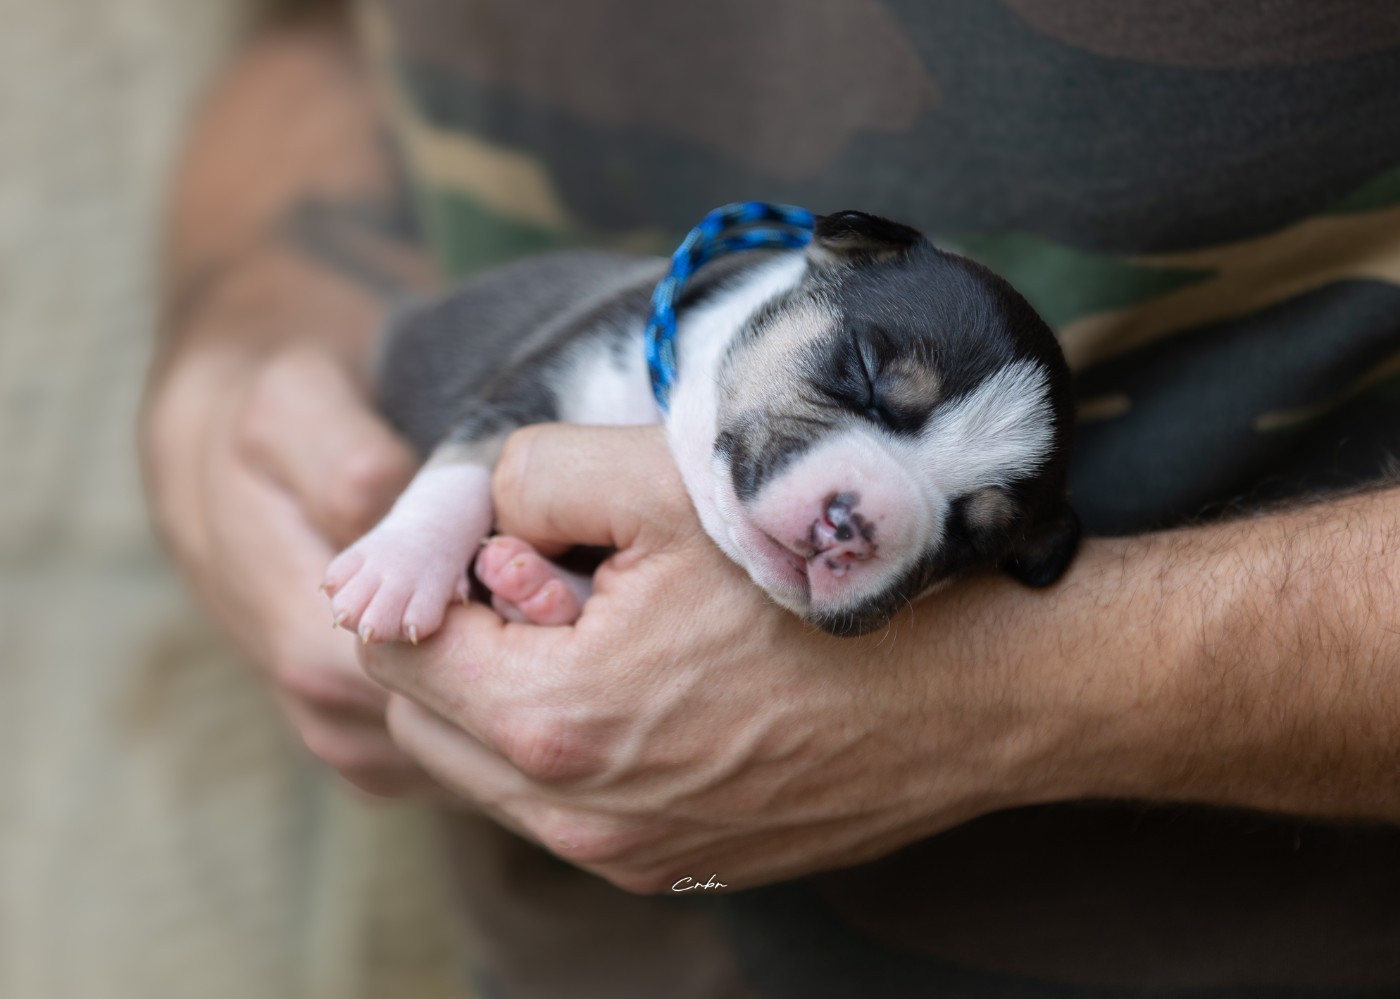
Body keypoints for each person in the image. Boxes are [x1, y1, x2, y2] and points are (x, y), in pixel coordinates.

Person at [141, 0, 1400, 993]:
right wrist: (242, 346)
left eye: (955, 529)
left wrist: (1017, 689)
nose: (866, 506)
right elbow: (314, 38)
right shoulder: (662, 331)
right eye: (866, 384)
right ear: (827, 265)